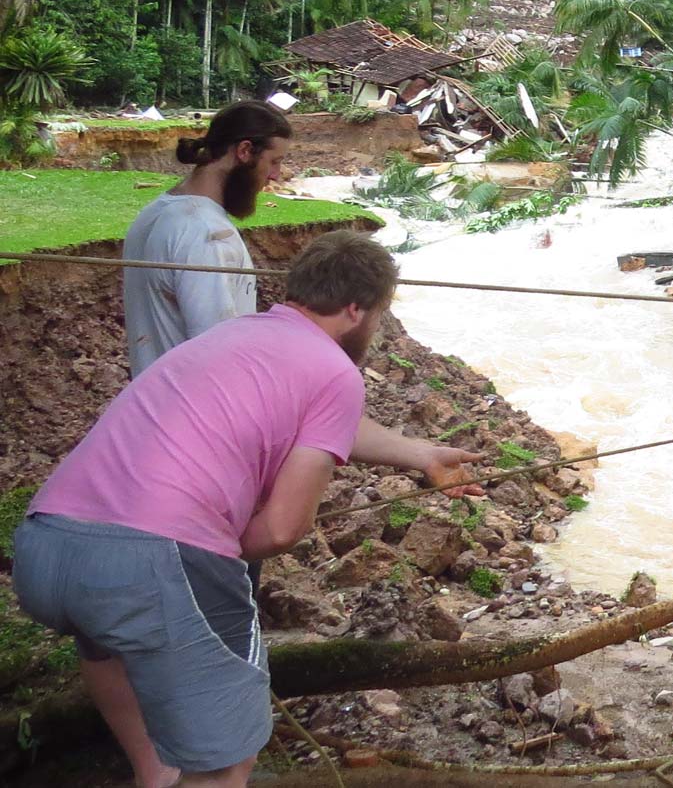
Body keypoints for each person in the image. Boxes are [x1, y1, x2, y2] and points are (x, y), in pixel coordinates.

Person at [11, 232, 482, 788]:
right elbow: (284, 528)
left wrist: (421, 454)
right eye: (379, 314)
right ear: (357, 309)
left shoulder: (234, 337)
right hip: (155, 562)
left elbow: (316, 421)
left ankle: (155, 776)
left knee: (112, 646)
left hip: (47, 551)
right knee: (225, 765)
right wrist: (209, 560)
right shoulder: (335, 370)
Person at [124, 101, 293, 376]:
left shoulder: (155, 213)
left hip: (155, 405)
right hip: (191, 413)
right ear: (245, 151)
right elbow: (216, 356)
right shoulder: (207, 234)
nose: (275, 175)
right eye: (274, 162)